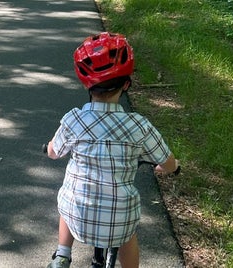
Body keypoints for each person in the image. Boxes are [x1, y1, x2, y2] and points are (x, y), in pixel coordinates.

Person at [45, 32, 180, 268]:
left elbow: (53, 152)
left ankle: (62, 254)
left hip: (78, 217)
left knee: (68, 196)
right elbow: (168, 163)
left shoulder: (73, 120)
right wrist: (171, 167)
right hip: (119, 221)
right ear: (126, 84)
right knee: (128, 236)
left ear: (86, 83)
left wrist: (49, 147)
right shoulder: (139, 125)